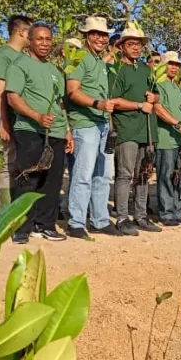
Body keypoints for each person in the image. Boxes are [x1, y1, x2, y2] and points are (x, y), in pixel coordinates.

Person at [6, 23, 73, 244]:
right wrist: (36, 117)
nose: (44, 43)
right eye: (40, 39)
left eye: (48, 39)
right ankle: (21, 227)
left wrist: (67, 131)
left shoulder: (55, 71)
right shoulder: (19, 65)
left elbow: (61, 104)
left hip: (56, 132)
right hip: (30, 130)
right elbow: (13, 98)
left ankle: (45, 225)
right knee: (28, 178)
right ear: (30, 41)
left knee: (53, 181)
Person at [64, 16, 123, 239]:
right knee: (83, 174)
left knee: (103, 174)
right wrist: (97, 103)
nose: (100, 37)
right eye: (95, 34)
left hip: (101, 124)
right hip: (85, 124)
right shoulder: (79, 59)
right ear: (86, 36)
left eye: (103, 34)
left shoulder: (99, 60)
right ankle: (76, 222)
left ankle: (100, 220)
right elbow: (72, 90)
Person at [109, 26, 162, 235]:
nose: (135, 48)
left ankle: (141, 216)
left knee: (144, 174)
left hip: (147, 130)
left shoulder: (147, 70)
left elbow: (156, 95)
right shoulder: (115, 70)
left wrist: (153, 98)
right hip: (127, 129)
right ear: (122, 46)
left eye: (138, 44)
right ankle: (122, 217)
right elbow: (113, 101)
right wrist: (139, 105)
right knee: (124, 174)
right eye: (131, 44)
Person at [0, 14, 33, 207]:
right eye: (31, 32)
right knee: (10, 162)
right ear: (22, 31)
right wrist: (3, 122)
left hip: (25, 118)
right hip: (10, 117)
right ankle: (5, 212)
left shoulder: (24, 57)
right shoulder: (3, 55)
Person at [154, 51, 181, 227]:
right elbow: (158, 108)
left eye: (177, 65)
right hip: (165, 138)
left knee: (178, 176)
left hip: (180, 140)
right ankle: (166, 213)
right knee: (166, 175)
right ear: (163, 65)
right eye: (171, 64)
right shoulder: (158, 84)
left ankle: (178, 211)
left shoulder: (177, 86)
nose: (174, 67)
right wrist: (178, 125)